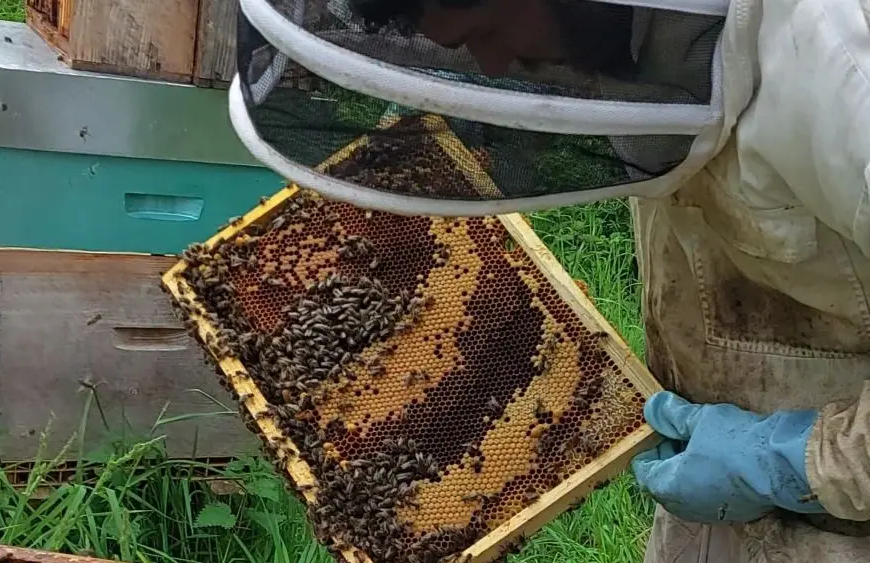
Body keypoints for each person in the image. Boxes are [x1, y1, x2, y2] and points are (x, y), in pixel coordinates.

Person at [332, 0, 870, 561]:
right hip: (714, 507)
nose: (489, 65)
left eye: (487, 31)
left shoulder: (842, 72)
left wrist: (790, 460)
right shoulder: (648, 42)